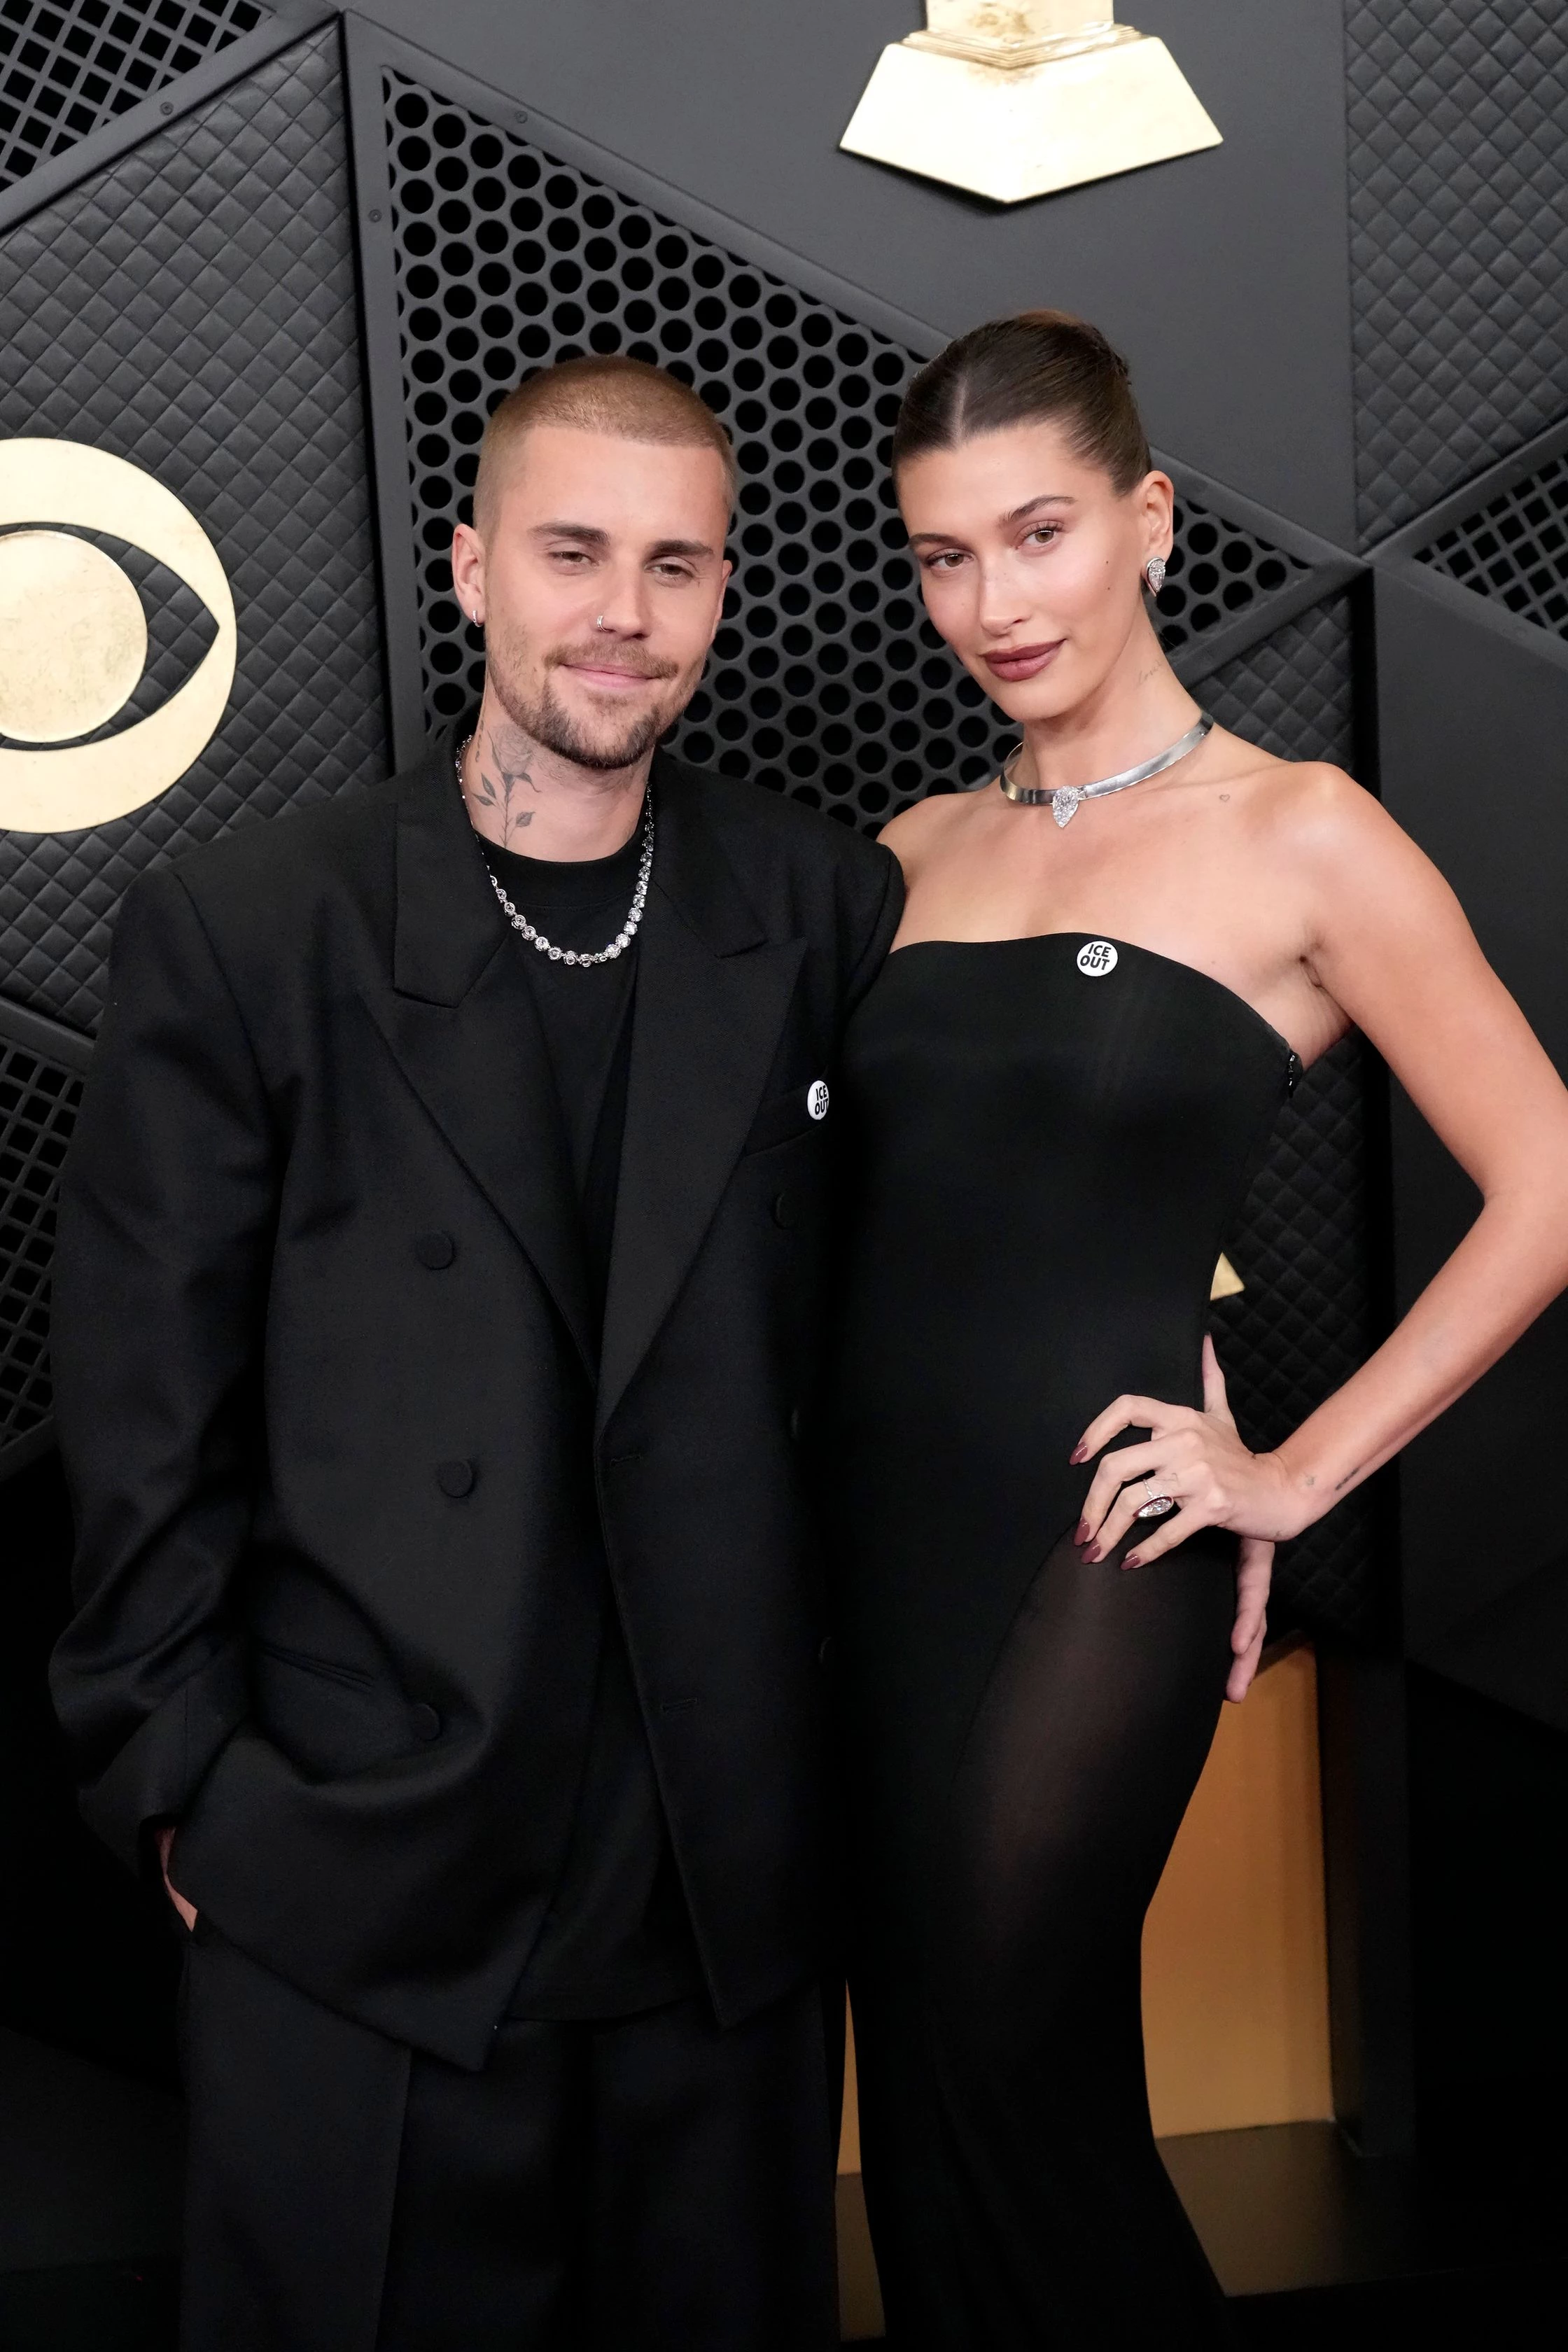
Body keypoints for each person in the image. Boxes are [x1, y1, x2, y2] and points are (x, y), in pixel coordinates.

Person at [49, 356, 903, 2351]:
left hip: (722, 1898)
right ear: (470, 568)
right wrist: (187, 1789)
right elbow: (147, 1404)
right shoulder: (257, 929)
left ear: (721, 591)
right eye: (573, 553)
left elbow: (928, 1298)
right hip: (366, 1884)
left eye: (675, 566)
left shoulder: (823, 907)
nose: (624, 613)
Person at [827, 311, 1568, 2347]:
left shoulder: (1299, 829)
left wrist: (1291, 1474)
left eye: (1040, 533)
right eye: (946, 554)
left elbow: (1550, 1180)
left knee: (1001, 2067)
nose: (995, 602)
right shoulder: (909, 854)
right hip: (868, 1548)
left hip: (1094, 1545)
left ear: (1149, 520)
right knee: (934, 2114)